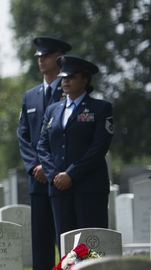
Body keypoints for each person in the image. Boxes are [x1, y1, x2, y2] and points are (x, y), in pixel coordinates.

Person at [16, 36, 70, 270]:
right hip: (37, 178)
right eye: (39, 56)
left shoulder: (70, 89)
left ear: (59, 57)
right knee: (40, 237)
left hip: (59, 177)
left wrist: (49, 168)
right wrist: (33, 165)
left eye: (46, 55)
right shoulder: (31, 96)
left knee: (63, 235)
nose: (41, 60)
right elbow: (23, 135)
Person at [37, 55, 114, 236]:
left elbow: (99, 147)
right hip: (59, 189)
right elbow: (43, 146)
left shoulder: (100, 108)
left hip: (89, 188)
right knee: (66, 250)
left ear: (84, 80)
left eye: (71, 77)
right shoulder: (52, 110)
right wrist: (55, 176)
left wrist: (71, 174)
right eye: (63, 77)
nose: (66, 81)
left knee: (91, 245)